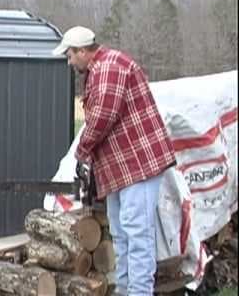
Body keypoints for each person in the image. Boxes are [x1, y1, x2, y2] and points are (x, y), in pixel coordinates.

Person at [53, 26, 177, 296]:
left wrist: (81, 153)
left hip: (138, 163)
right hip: (121, 167)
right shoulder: (99, 69)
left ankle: (140, 293)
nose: (69, 61)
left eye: (70, 55)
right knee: (121, 233)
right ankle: (124, 289)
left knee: (137, 234)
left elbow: (102, 117)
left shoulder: (110, 66)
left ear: (83, 51)